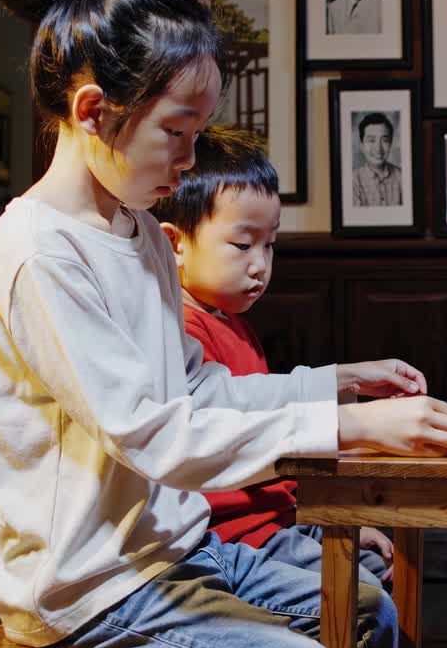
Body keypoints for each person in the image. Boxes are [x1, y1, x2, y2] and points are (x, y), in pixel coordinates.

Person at [0, 0, 447, 648]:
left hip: (170, 547)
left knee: (370, 610)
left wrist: (331, 384)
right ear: (93, 111)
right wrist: (350, 424)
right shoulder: (39, 250)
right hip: (89, 586)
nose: (187, 160)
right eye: (176, 133)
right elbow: (156, 435)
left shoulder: (137, 227)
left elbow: (200, 386)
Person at [150, 126, 395, 587]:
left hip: (279, 519)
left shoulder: (233, 321)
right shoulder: (181, 329)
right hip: (235, 536)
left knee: (380, 566)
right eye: (243, 245)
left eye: (270, 245)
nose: (260, 264)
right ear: (174, 243)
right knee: (367, 590)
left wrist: (332, 521)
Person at [351, 112, 403, 207]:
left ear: (390, 144)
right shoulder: (353, 180)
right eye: (371, 140)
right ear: (361, 145)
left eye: (384, 140)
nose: (378, 148)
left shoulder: (402, 177)